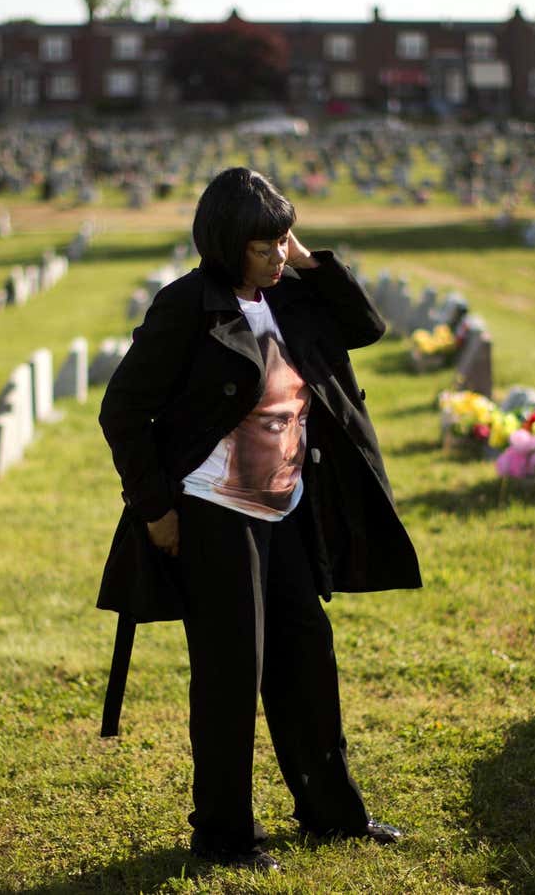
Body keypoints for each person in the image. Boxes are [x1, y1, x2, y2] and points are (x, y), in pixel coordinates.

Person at [96, 167, 423, 873]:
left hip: (288, 508)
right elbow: (122, 410)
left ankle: (333, 815)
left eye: (283, 239)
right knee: (229, 673)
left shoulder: (295, 299)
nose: (276, 256)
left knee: (307, 655)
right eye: (262, 245)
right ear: (223, 245)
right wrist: (154, 509)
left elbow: (366, 327)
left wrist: (306, 260)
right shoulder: (190, 307)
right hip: (216, 514)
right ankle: (223, 836)